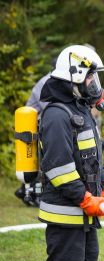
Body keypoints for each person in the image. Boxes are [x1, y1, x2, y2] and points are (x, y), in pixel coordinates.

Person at [38, 44, 104, 261]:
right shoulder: (57, 115)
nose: (95, 86)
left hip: (83, 213)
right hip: (65, 213)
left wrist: (103, 184)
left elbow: (92, 156)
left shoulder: (80, 109)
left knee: (89, 260)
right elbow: (59, 168)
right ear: (74, 78)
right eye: (91, 79)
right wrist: (85, 198)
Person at [14, 59, 55, 205]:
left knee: (38, 162)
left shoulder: (51, 81)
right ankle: (30, 193)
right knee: (35, 162)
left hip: (39, 126)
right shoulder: (46, 82)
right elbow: (49, 108)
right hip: (32, 127)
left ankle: (26, 191)